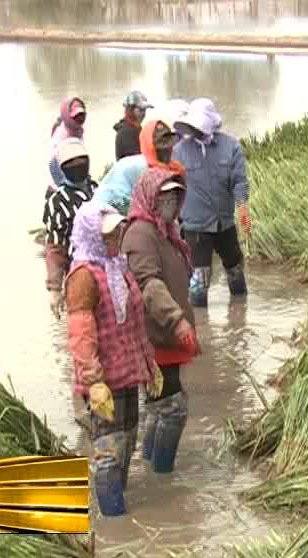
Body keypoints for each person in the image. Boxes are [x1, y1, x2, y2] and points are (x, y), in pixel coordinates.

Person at [66, 201, 156, 516]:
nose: (115, 238)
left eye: (117, 231)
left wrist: (150, 363)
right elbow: (81, 334)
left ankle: (119, 509)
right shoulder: (83, 276)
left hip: (128, 372)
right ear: (92, 236)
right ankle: (113, 519)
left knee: (129, 437)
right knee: (109, 448)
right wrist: (93, 382)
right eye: (108, 234)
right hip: (105, 379)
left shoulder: (118, 266)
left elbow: (135, 320)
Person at [121, 165, 200, 475]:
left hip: (165, 334)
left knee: (158, 406)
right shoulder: (141, 233)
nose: (170, 202)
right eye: (163, 196)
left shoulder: (164, 230)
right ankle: (164, 476)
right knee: (173, 408)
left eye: (175, 195)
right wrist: (177, 321)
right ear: (148, 197)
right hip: (155, 336)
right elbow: (149, 285)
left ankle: (153, 464)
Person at [172, 98, 252, 307]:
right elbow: (172, 186)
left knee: (235, 270)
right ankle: (200, 323)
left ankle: (239, 312)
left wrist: (243, 208)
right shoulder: (179, 151)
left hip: (224, 223)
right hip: (195, 227)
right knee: (199, 280)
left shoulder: (231, 147)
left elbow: (239, 182)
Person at [43, 138, 97, 319]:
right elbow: (56, 247)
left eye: (82, 160)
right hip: (81, 275)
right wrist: (55, 289)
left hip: (110, 271)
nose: (78, 165)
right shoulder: (57, 202)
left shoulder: (97, 189)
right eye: (71, 163)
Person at [49, 96, 87, 186]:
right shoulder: (62, 137)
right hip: (62, 187)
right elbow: (52, 165)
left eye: (82, 115)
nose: (80, 118)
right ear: (67, 116)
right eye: (76, 116)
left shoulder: (77, 130)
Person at [114, 90, 153, 161]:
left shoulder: (135, 128)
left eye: (145, 110)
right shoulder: (126, 132)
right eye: (140, 110)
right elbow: (138, 159)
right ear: (130, 110)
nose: (143, 114)